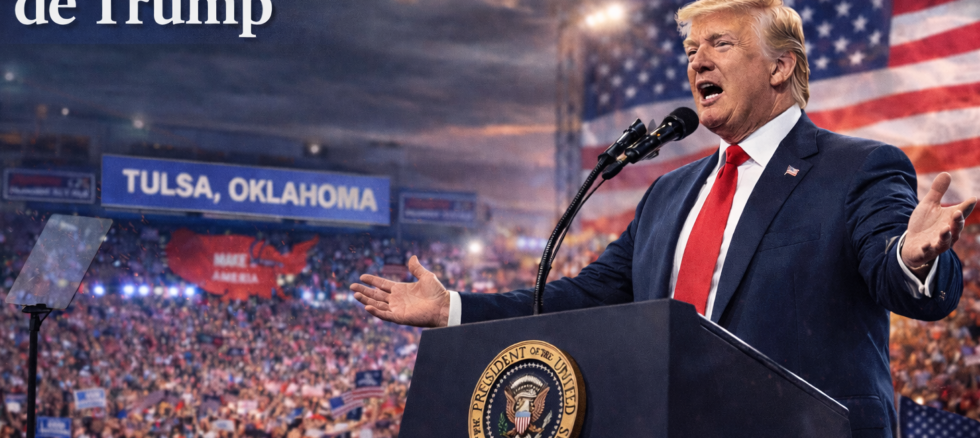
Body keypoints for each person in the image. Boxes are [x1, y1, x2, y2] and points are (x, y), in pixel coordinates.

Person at [351, 0, 976, 436]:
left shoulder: (857, 168)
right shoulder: (671, 194)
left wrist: (913, 256)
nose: (697, 61)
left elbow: (902, 275)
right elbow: (587, 298)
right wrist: (453, 310)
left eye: (720, 44)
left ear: (781, 67)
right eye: (690, 49)